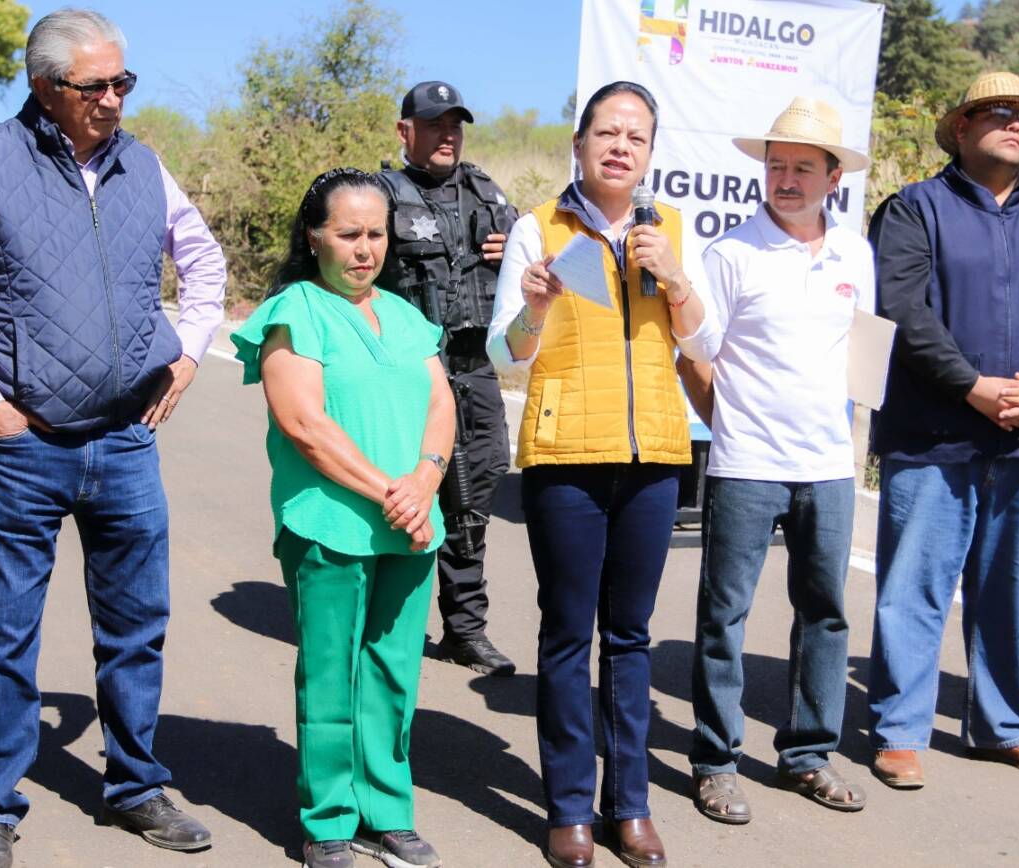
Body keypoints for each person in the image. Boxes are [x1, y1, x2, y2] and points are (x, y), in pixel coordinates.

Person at [0, 10, 227, 866]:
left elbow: (203, 263)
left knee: (137, 627)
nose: (113, 100)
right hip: (25, 447)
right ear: (44, 87)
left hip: (126, 442)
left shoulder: (143, 163)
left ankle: (136, 784)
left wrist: (189, 356)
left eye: (122, 82)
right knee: (0, 632)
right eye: (93, 86)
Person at [865, 71, 1019, 788]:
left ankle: (1004, 726)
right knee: (916, 584)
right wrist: (970, 386)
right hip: (934, 431)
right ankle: (900, 730)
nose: (1016, 124)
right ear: (963, 129)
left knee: (1013, 587)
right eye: (997, 113)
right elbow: (901, 306)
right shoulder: (915, 208)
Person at [488, 81, 709, 868]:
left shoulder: (670, 229)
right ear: (578, 142)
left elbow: (700, 339)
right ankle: (570, 808)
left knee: (632, 636)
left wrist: (675, 277)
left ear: (651, 153)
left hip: (653, 455)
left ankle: (633, 805)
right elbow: (503, 351)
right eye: (607, 132)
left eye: (637, 136)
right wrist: (535, 308)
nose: (621, 146)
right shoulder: (536, 229)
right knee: (565, 633)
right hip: (565, 457)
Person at [232, 168, 452, 868]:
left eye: (376, 235)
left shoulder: (405, 313)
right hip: (331, 522)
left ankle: (387, 809)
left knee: (393, 673)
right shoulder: (295, 308)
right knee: (332, 674)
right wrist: (394, 491)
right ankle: (328, 818)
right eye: (349, 234)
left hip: (412, 524)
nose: (365, 249)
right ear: (313, 235)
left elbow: (441, 402)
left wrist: (426, 479)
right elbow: (304, 424)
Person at [677, 97, 872, 822]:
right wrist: (730, 425)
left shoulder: (856, 252)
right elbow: (695, 356)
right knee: (724, 617)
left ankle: (808, 757)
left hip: (827, 465)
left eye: (802, 168)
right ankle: (715, 761)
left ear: (832, 179)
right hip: (746, 463)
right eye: (776, 165)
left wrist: (847, 443)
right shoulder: (730, 253)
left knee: (825, 614)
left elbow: (863, 354)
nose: (786, 179)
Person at [375, 80, 519, 677]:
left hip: (474, 364)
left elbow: (532, 272)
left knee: (475, 494)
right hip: (409, 373)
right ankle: (388, 622)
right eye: (435, 124)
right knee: (403, 492)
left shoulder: (487, 193)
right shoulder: (379, 195)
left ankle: (465, 630)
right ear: (406, 131)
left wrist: (515, 251)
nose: (448, 135)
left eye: (455, 124)